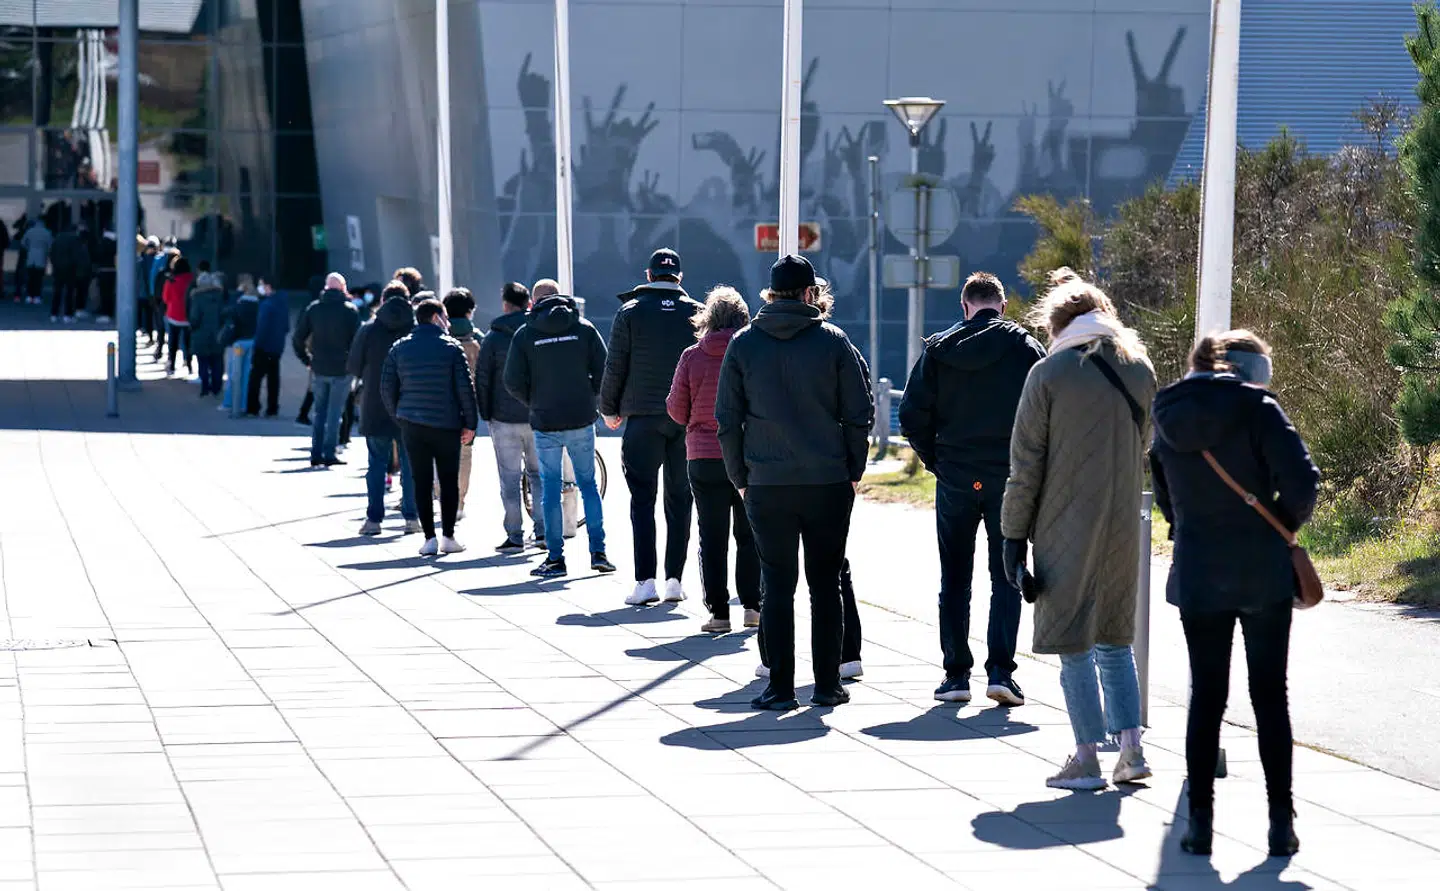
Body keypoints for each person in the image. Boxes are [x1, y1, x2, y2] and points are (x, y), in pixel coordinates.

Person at [1151, 331, 1318, 858]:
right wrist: (1279, 528)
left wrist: (1192, 526)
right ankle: (1279, 824)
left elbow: (1164, 496)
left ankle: (1199, 824)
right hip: (1262, 570)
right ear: (1245, 368)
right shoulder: (1258, 408)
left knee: (1206, 696)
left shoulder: (1167, 412)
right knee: (1270, 696)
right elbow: (1303, 484)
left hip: (1199, 571)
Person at [1001, 268, 1157, 790]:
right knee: (1115, 637)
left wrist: (1012, 537)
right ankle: (1131, 751)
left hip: (1063, 521)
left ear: (1057, 325)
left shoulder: (1048, 374)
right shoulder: (1140, 370)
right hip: (1123, 522)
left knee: (1073, 642)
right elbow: (1145, 442)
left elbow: (1026, 466)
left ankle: (1086, 757)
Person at [715, 255, 872, 711]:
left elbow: (727, 420)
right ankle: (827, 685)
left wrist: (740, 478)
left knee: (777, 586)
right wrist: (854, 470)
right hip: (827, 481)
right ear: (808, 294)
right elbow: (859, 413)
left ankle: (780, 688)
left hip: (766, 483)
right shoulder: (834, 342)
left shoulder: (744, 343)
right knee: (825, 584)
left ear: (770, 294)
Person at [899, 272, 1046, 707]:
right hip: (1009, 478)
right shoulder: (1026, 348)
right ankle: (1001, 672)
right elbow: (1046, 415)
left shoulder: (939, 349)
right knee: (1007, 575)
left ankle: (955, 675)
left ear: (965, 307)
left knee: (954, 578)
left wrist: (936, 461)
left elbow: (911, 415)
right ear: (1003, 306)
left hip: (956, 476)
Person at [600, 249, 703, 605]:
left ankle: (645, 582)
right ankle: (674, 580)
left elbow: (616, 364)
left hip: (642, 417)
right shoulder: (697, 312)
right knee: (681, 499)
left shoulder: (630, 312)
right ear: (680, 277)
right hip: (685, 419)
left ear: (648, 275)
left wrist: (609, 409)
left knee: (642, 500)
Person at [504, 279, 615, 578]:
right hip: (581, 418)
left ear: (533, 302)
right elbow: (604, 369)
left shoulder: (525, 334)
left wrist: (535, 401)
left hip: (546, 422)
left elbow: (511, 381)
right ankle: (599, 553)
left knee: (550, 489)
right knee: (588, 485)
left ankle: (555, 559)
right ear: (561, 297)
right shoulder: (583, 328)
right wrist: (589, 395)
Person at [666, 286, 761, 635]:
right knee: (749, 534)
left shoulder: (691, 356)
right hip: (747, 455)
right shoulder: (753, 353)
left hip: (704, 456)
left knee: (712, 536)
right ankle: (752, 607)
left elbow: (677, 410)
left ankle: (719, 614)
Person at [380, 298, 478, 556]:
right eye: (444, 317)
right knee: (448, 480)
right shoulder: (452, 348)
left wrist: (399, 416)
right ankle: (448, 536)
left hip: (413, 424)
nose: (448, 322)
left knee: (421, 480)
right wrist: (470, 424)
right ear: (436, 318)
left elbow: (386, 388)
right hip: (447, 424)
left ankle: (429, 539)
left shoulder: (399, 348)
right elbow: (465, 389)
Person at [477, 282, 545, 553]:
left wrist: (485, 413)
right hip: (537, 415)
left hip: (503, 418)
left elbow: (483, 378)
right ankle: (542, 531)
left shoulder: (493, 337)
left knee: (509, 479)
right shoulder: (538, 330)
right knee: (539, 475)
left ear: (505, 304)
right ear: (529, 303)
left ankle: (515, 534)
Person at [349, 280, 421, 536]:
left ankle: (374, 520)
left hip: (375, 403)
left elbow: (354, 366)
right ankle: (412, 518)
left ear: (382, 300)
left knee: (376, 463)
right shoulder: (416, 329)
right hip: (410, 406)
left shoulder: (369, 329)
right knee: (411, 465)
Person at [293, 272, 361, 467]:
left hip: (319, 367)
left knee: (319, 413)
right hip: (342, 368)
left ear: (326, 287)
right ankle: (329, 453)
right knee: (334, 414)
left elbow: (298, 338)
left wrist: (306, 359)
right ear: (343, 288)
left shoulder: (314, 308)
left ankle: (316, 453)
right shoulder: (350, 311)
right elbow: (358, 341)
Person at [443, 287, 483, 520]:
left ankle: (441, 495)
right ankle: (459, 503)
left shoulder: (439, 336)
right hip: (469, 405)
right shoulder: (477, 338)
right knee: (465, 453)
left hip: (440, 405)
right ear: (470, 311)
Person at [247, 279, 288, 417]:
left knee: (255, 377)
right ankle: (272, 408)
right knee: (273, 378)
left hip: (263, 346)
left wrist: (257, 344)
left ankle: (253, 407)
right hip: (277, 346)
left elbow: (261, 328)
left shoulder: (266, 304)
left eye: (261, 284)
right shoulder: (282, 303)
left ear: (268, 286)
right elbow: (286, 327)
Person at [221, 274, 261, 411]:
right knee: (246, 375)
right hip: (252, 341)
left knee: (234, 374)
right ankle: (243, 405)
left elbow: (227, 313)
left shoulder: (239, 305)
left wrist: (237, 294)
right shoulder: (259, 305)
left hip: (239, 343)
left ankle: (229, 402)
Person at [187, 270, 227, 397]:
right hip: (217, 335)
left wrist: (192, 327)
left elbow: (195, 318)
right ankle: (216, 387)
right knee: (217, 362)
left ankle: (205, 387)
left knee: (203, 362)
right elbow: (224, 315)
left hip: (201, 335)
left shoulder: (197, 298)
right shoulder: (219, 296)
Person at [161, 255, 194, 376]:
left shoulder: (171, 281)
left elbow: (166, 298)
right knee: (188, 342)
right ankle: (189, 365)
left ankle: (172, 366)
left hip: (174, 314)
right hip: (188, 315)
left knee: (173, 342)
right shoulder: (192, 280)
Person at [21, 217, 52, 307]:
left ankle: (29, 296)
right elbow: (50, 245)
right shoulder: (47, 232)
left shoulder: (30, 231)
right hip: (41, 257)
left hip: (31, 256)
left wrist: (29, 248)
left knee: (30, 278)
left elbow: (23, 242)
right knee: (38, 279)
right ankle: (37, 296)